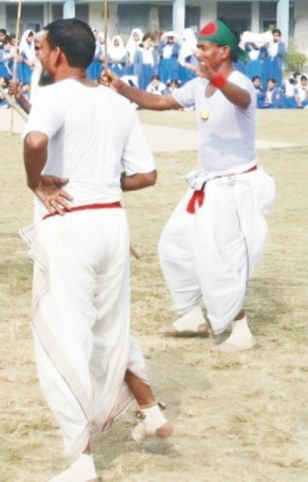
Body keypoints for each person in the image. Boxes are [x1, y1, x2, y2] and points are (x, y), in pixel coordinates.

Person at [22, 20, 171, 482]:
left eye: (41, 47)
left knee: (64, 336)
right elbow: (147, 175)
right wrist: (100, 183)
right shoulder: (117, 102)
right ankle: (150, 411)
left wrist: (36, 181)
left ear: (59, 55)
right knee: (109, 328)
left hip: (73, 225)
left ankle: (81, 458)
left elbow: (35, 141)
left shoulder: (51, 95)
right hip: (112, 222)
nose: (39, 54)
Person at [108, 19, 276, 352]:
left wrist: (215, 78)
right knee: (175, 245)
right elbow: (162, 102)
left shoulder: (240, 83)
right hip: (207, 185)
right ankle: (190, 316)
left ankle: (240, 331)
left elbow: (240, 99)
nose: (198, 53)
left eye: (204, 48)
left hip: (235, 185)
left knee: (220, 258)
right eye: (198, 46)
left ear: (224, 51)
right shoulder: (200, 86)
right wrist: (123, 89)